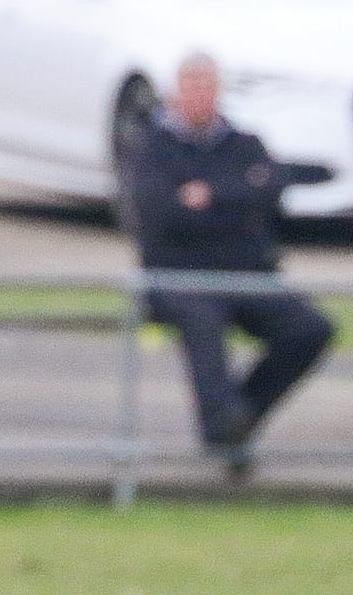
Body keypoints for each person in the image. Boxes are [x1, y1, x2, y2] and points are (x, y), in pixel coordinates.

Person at [130, 53, 335, 471]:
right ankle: (224, 428)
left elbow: (272, 190)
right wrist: (234, 198)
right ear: (174, 94)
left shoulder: (243, 143)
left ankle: (238, 418)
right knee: (203, 322)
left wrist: (209, 196)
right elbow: (160, 213)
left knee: (310, 330)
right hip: (178, 275)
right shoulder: (151, 147)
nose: (200, 97)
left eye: (208, 87)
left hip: (247, 272)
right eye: (191, 87)